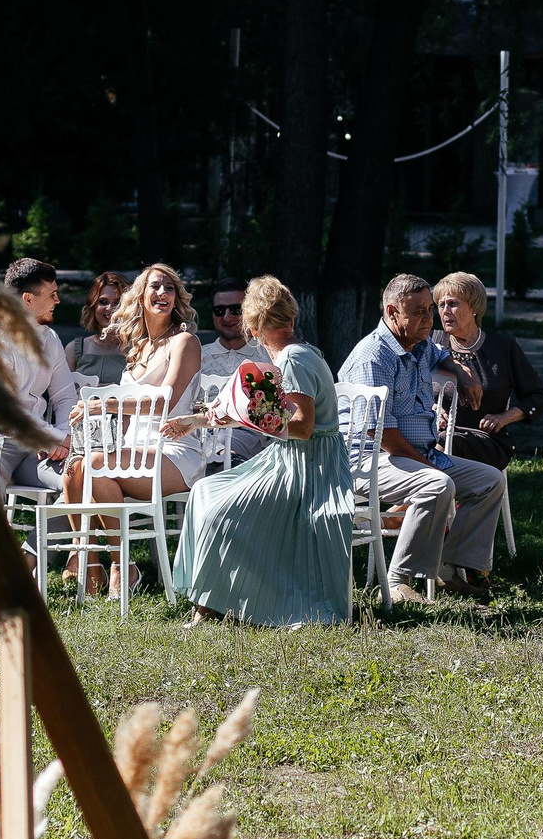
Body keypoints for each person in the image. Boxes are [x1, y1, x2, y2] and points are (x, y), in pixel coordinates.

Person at [163, 277, 355, 627]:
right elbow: (256, 413)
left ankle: (213, 604)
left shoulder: (294, 359)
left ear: (251, 328)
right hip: (289, 460)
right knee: (207, 491)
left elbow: (302, 426)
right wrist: (194, 421)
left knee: (219, 508)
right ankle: (217, 599)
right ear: (292, 318)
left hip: (310, 468)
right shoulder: (296, 353)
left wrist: (253, 421)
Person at [340, 275, 506, 602]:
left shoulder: (418, 342)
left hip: (417, 454)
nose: (429, 319)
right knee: (436, 484)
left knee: (490, 479)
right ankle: (398, 581)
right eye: (418, 311)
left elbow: (439, 355)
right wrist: (426, 465)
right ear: (391, 312)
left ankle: (452, 569)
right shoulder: (374, 356)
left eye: (429, 309)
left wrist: (462, 373)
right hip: (370, 459)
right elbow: (380, 433)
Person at [60, 263, 205, 598]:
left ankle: (121, 563)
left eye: (170, 288)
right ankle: (90, 563)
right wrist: (89, 420)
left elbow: (165, 405)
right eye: (155, 287)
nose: (163, 294)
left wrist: (104, 404)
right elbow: (125, 422)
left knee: (96, 466)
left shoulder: (185, 342)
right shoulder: (136, 349)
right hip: (133, 451)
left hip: (173, 451)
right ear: (140, 296)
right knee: (74, 469)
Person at [434, 271, 543, 469]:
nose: (445, 311)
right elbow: (410, 389)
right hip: (434, 434)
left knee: (442, 445)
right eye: (441, 305)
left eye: (453, 303)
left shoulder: (503, 348)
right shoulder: (432, 345)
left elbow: (539, 396)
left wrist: (504, 417)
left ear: (474, 307)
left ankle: (416, 499)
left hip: (486, 440)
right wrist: (431, 408)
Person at [0, 258, 74, 497]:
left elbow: (65, 395)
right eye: (52, 295)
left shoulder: (50, 339)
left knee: (81, 483)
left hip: (33, 449)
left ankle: (37, 538)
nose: (57, 301)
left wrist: (61, 436)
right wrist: (58, 438)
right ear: (28, 300)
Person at [195, 281, 275, 465]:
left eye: (235, 310)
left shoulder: (267, 356)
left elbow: (269, 410)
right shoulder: (197, 355)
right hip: (198, 428)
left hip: (244, 431)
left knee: (225, 445)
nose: (227, 316)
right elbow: (186, 401)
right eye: (220, 310)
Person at [65, 269, 131, 383]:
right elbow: (60, 396)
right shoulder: (74, 349)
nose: (110, 308)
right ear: (93, 306)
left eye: (117, 302)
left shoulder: (138, 349)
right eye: (103, 302)